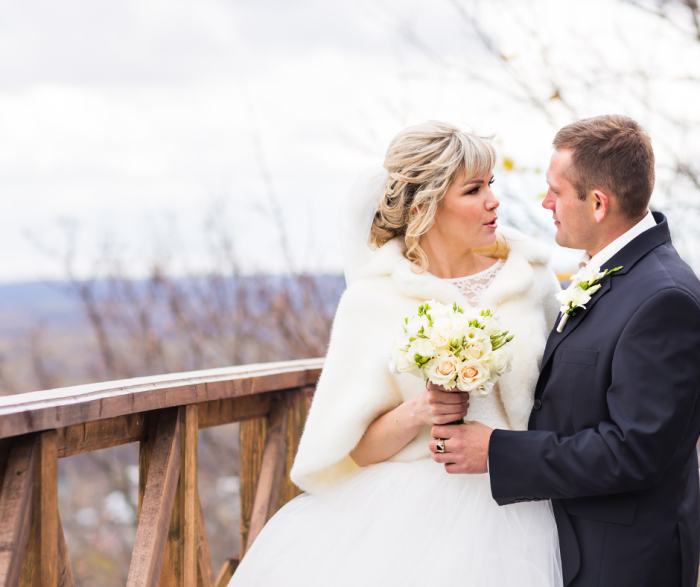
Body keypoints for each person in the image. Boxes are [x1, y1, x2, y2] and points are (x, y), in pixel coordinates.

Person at [229, 121, 564, 586]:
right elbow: (353, 449)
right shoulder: (373, 299)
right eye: (473, 190)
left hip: (525, 506)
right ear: (426, 206)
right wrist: (420, 411)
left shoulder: (531, 279)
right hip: (406, 525)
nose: (493, 201)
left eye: (491, 185)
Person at [431, 114, 700, 587]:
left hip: (620, 563)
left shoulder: (664, 298)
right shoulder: (613, 272)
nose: (545, 202)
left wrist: (497, 451)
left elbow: (632, 451)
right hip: (568, 546)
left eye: (556, 191)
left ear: (597, 204)